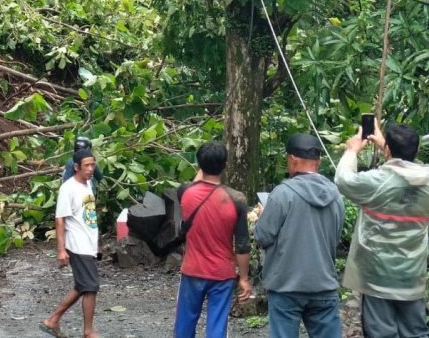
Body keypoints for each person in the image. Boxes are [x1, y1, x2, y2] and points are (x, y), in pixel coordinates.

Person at [335, 123, 429, 338]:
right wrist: (388, 148)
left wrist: (352, 151)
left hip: (377, 276)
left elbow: (343, 179)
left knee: (381, 333)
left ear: (387, 150)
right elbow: (408, 170)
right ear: (416, 150)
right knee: (415, 332)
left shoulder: (376, 181)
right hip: (411, 275)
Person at [253, 134, 345, 338]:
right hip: (323, 284)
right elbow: (335, 237)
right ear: (318, 161)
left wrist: (261, 217)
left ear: (293, 159)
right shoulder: (336, 196)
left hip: (286, 286)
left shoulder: (282, 194)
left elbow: (262, 235)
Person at [173, 141, 252, 338]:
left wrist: (203, 165)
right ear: (225, 165)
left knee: (184, 325)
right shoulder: (236, 199)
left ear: (199, 164)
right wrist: (243, 278)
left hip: (192, 270)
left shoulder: (185, 192)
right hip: (222, 273)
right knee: (217, 327)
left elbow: (195, 184)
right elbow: (242, 245)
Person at [41, 149, 101, 338]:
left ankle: (52, 320)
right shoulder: (68, 188)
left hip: (88, 243)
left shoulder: (88, 183)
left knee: (83, 285)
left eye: (92, 165)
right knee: (91, 287)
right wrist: (61, 250)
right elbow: (60, 219)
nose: (90, 169)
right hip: (77, 244)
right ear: (76, 167)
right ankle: (88, 331)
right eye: (86, 165)